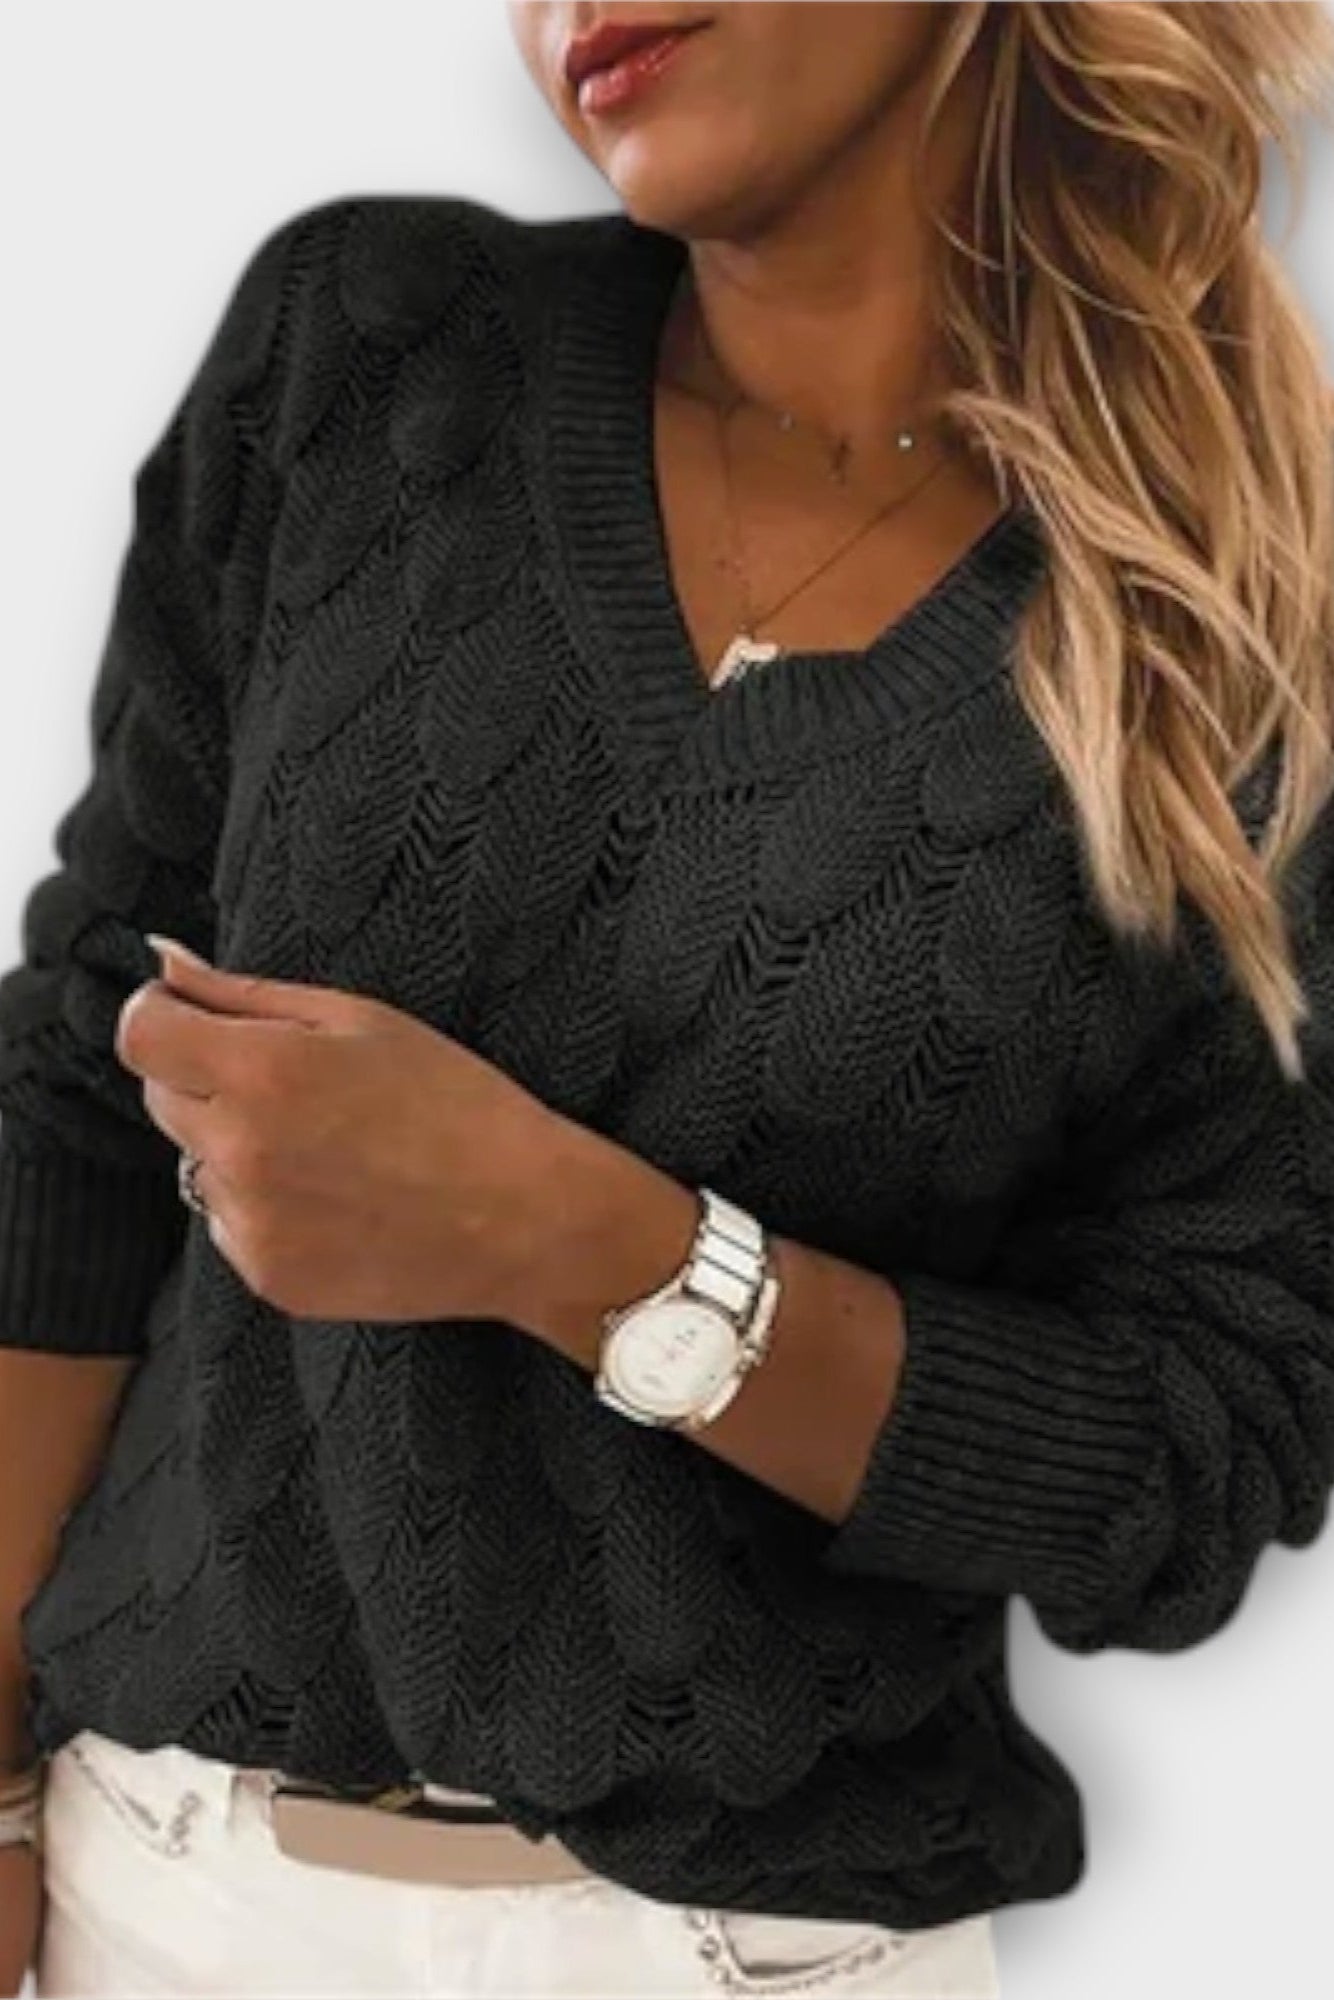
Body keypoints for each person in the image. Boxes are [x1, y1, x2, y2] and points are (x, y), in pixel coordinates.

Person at [3, 1, 1334, 1993]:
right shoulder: (364, 351)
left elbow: (1188, 1458)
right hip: (161, 1897)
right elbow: (74, 1099)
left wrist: (596, 1253)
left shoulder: (1251, 634)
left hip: (768, 1955)